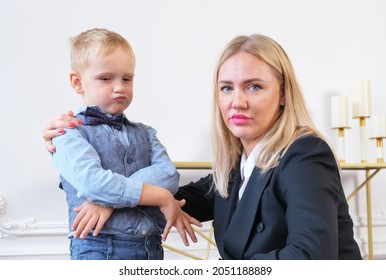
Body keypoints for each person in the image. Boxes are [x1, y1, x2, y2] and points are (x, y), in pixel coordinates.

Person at [44, 34, 362, 260]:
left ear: (282, 94)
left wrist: (111, 195)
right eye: (227, 88)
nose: (237, 101)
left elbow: (309, 259)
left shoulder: (304, 154)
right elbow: (170, 200)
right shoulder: (237, 167)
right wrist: (92, 179)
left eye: (254, 86)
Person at [49, 28, 199, 260]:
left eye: (127, 79)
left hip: (150, 246)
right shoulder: (66, 133)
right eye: (106, 78)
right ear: (78, 82)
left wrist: (109, 203)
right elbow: (93, 184)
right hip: (98, 247)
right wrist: (158, 196)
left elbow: (168, 175)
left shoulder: (146, 133)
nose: (119, 87)